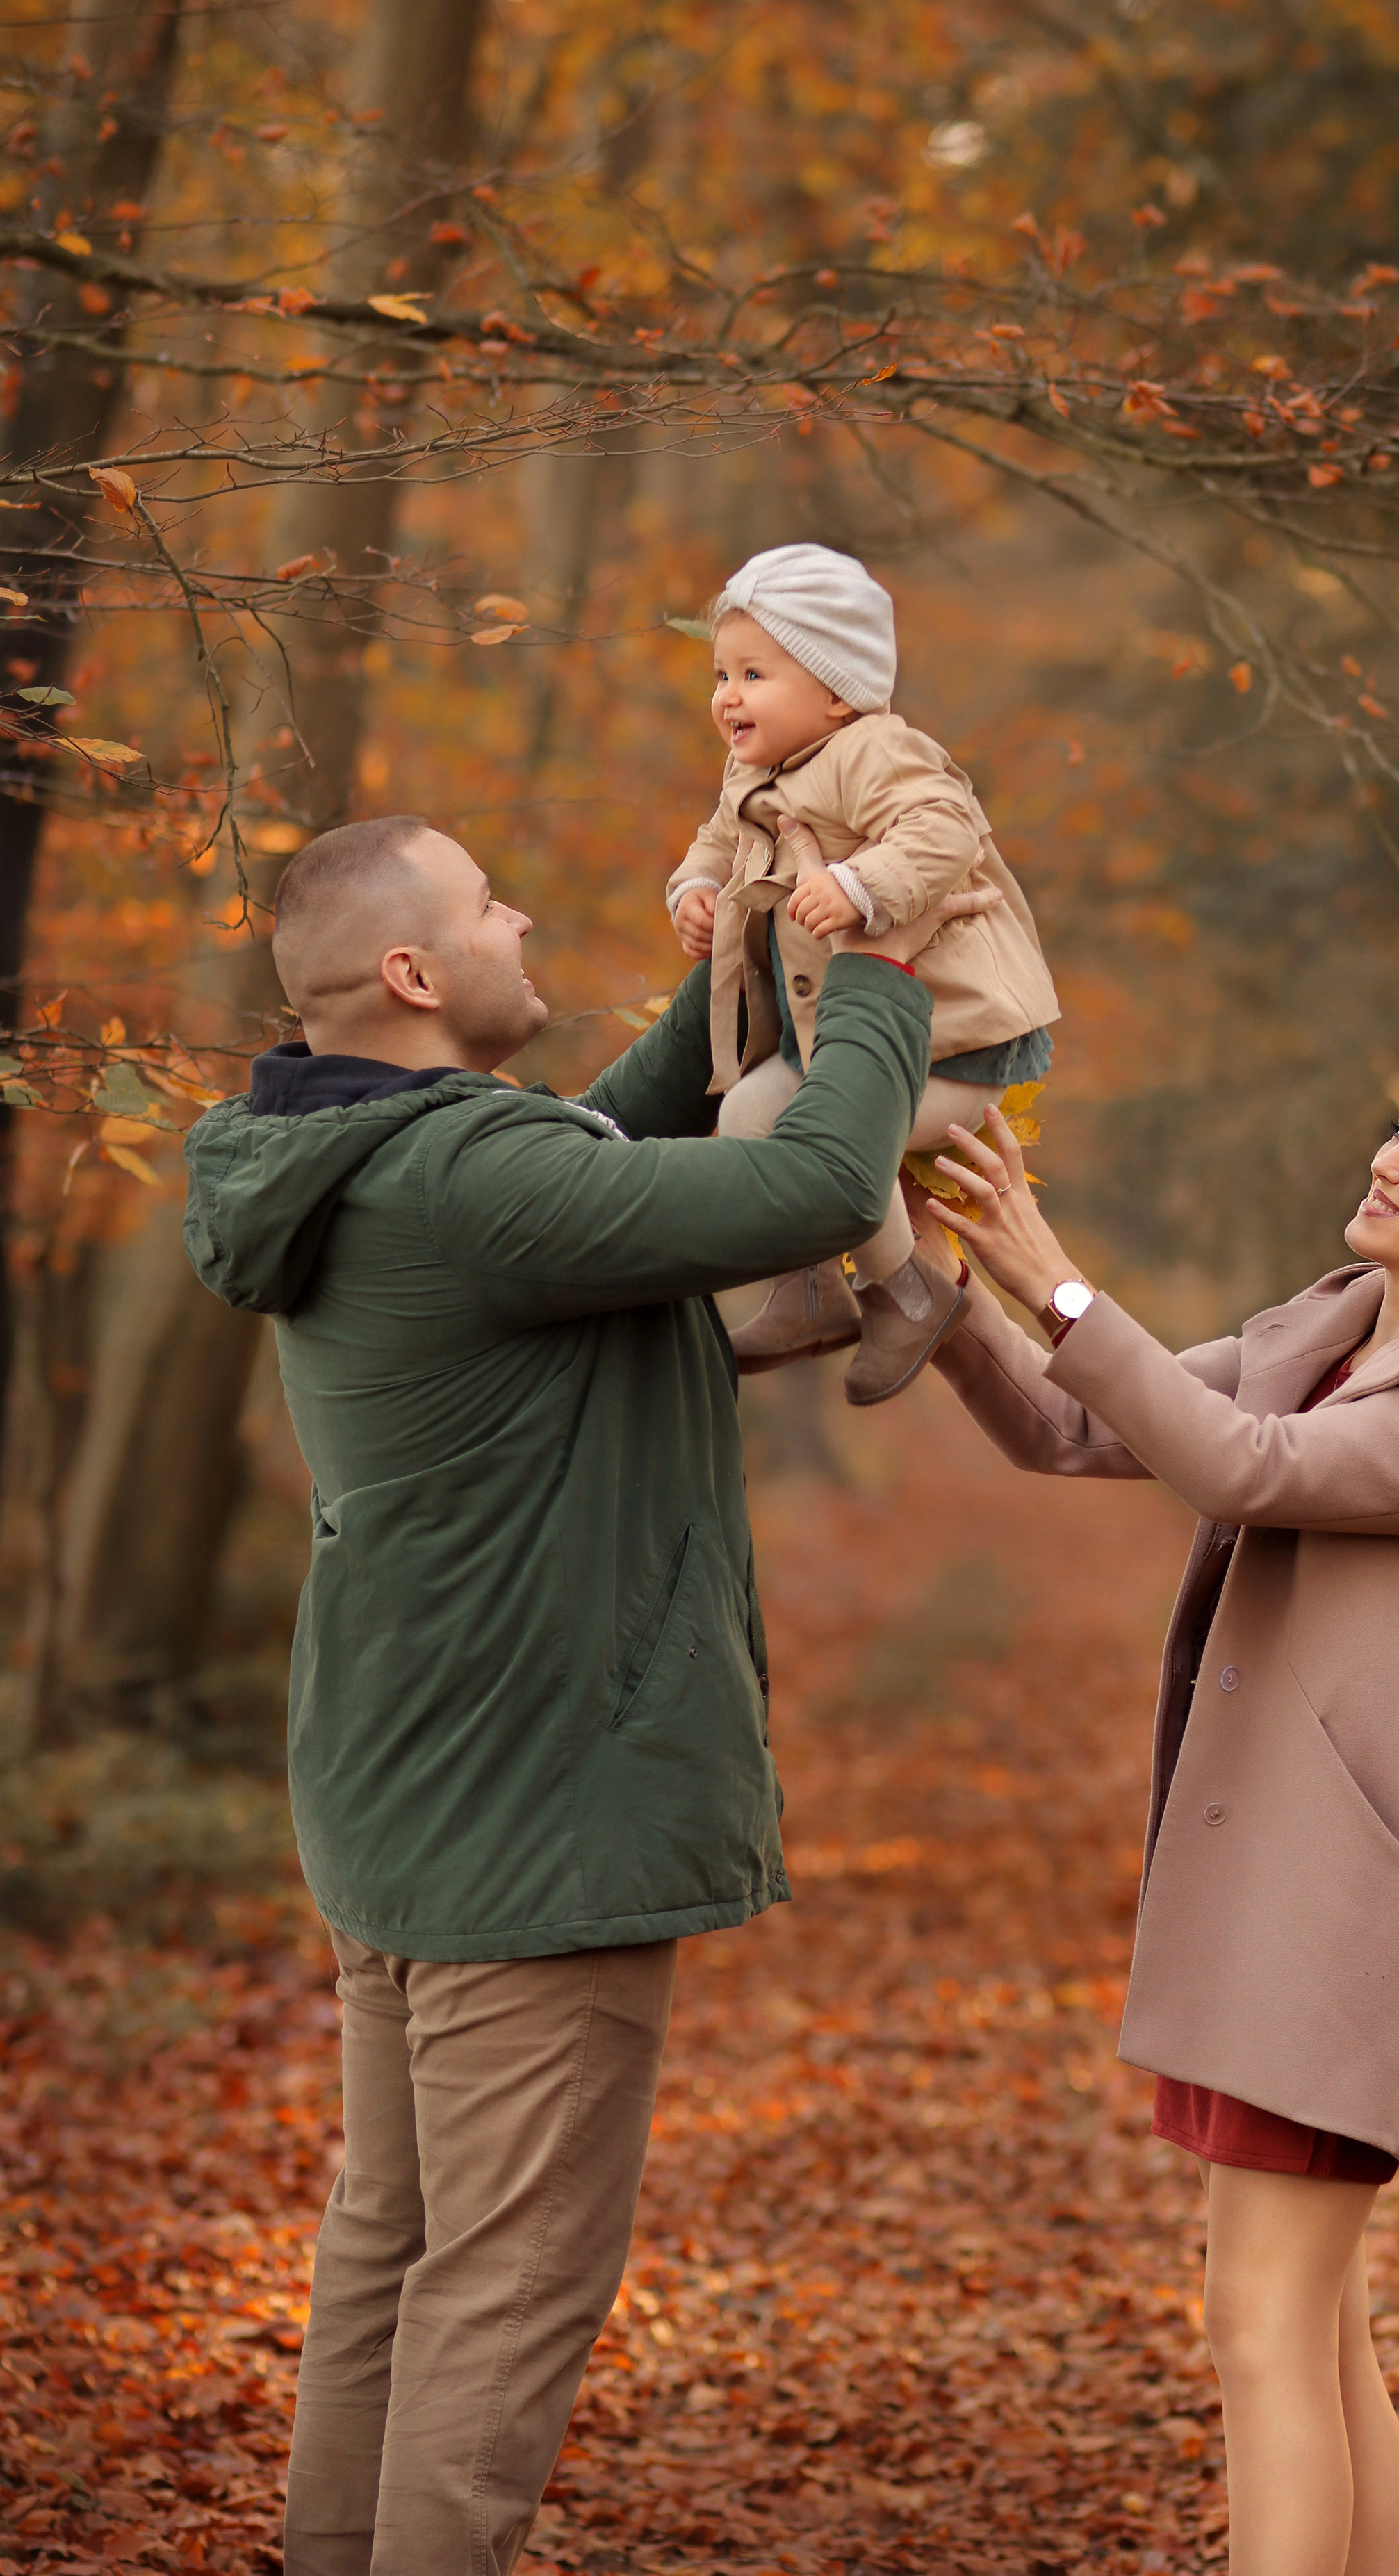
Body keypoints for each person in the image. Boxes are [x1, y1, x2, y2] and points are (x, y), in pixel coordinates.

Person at [181, 812, 985, 2576]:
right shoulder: (464, 1178)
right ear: (412, 972)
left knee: (393, 2250)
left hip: (409, 1803)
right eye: (486, 903)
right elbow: (805, 1191)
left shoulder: (366, 1155)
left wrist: (742, 975)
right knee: (501, 2287)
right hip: (533, 1817)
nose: (518, 911)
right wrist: (877, 984)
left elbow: (609, 1133)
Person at [913, 1051, 1399, 2576]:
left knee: (1259, 2333)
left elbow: (1244, 1467)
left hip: (1338, 1902)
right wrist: (940, 1289)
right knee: (1314, 2338)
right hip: (1275, 1887)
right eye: (1398, 1129)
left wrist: (1055, 1285)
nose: (1384, 1160)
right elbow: (1082, 1428)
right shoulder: (1332, 1324)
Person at [666, 540, 1061, 1404]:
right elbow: (720, 836)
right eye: (721, 674)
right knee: (744, 1118)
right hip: (836, 1041)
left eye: (754, 674)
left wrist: (859, 885)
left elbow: (942, 829)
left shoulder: (880, 752)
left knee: (839, 1139)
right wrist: (695, 888)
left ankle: (910, 1297)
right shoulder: (754, 768)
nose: (727, 695)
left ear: (836, 689)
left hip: (950, 1038)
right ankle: (810, 1291)